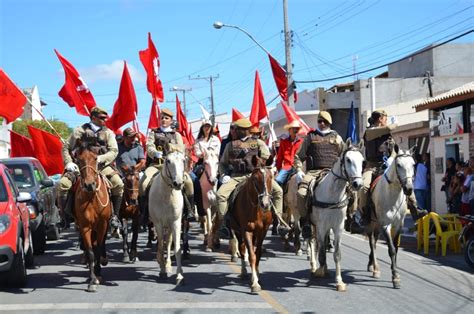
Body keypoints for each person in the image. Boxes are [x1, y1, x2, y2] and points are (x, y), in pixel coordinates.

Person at [348, 109, 428, 234]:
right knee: (364, 187)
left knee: (405, 181)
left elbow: (394, 150)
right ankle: (363, 215)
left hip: (387, 166)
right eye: (385, 117)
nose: (386, 120)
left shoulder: (387, 135)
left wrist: (394, 158)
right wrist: (394, 124)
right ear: (380, 119)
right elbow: (389, 128)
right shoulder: (369, 132)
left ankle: (415, 208)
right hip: (372, 167)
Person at [215, 118, 289, 238]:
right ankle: (224, 224)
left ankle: (279, 221)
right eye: (237, 129)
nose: (238, 131)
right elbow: (222, 163)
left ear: (247, 130)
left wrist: (261, 161)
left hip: (255, 175)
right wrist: (224, 175)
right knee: (220, 195)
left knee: (278, 191)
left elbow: (266, 157)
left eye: (241, 129)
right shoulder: (230, 145)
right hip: (237, 176)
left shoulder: (258, 143)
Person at [57, 106, 124, 236]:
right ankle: (64, 217)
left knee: (119, 184)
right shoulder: (79, 131)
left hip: (102, 166)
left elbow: (114, 151)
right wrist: (69, 162)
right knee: (63, 184)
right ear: (93, 117)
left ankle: (114, 217)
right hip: (81, 167)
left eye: (105, 118)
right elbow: (66, 147)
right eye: (102, 118)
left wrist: (101, 158)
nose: (105, 120)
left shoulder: (109, 133)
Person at [293, 111, 344, 238]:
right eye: (319, 121)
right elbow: (298, 156)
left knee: (352, 190)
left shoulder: (337, 138)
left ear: (329, 123)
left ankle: (353, 217)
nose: (321, 124)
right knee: (301, 193)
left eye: (324, 122)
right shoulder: (310, 137)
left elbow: (344, 156)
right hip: (314, 172)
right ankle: (305, 221)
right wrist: (299, 170)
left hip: (333, 173)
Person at [138, 108, 194, 220]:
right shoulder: (154, 133)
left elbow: (181, 148)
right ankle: (144, 212)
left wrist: (171, 151)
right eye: (162, 118)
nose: (163, 120)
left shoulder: (176, 135)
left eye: (166, 118)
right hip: (157, 165)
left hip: (173, 166)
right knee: (143, 184)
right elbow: (149, 146)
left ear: (171, 120)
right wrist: (154, 152)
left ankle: (189, 210)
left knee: (189, 183)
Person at [192, 119, 221, 218]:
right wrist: (202, 154)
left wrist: (212, 154)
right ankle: (197, 201)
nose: (207, 128)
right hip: (202, 162)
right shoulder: (198, 140)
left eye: (208, 126)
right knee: (195, 179)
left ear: (211, 128)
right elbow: (196, 152)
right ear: (202, 128)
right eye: (205, 126)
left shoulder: (216, 139)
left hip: (215, 161)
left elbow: (218, 151)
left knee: (223, 178)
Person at [275, 120, 303, 186]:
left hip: (299, 167)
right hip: (287, 167)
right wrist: (279, 170)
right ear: (289, 130)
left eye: (297, 128)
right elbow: (279, 158)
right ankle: (280, 196)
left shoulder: (301, 142)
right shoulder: (283, 142)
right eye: (294, 128)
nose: (296, 130)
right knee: (278, 180)